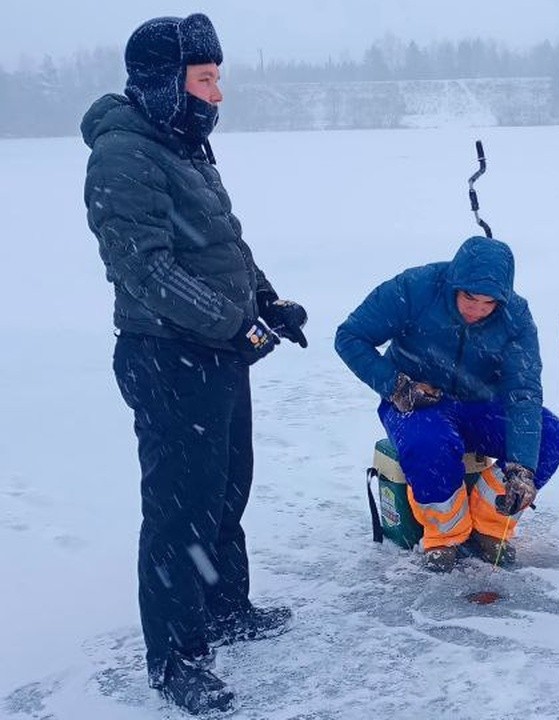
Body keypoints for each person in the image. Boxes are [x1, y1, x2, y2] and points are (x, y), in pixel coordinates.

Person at [81, 13, 309, 717]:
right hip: (166, 356)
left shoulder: (183, 147)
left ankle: (224, 606)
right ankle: (176, 657)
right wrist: (232, 323)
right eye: (205, 79)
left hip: (217, 352)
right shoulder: (125, 155)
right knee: (179, 511)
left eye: (218, 78)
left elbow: (222, 244)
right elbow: (144, 270)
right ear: (162, 83)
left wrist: (266, 302)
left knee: (225, 486)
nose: (217, 94)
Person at [336, 236, 559, 572]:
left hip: (480, 403)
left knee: (550, 437)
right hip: (416, 399)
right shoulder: (414, 288)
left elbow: (523, 392)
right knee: (430, 443)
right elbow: (350, 336)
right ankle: (445, 536)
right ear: (453, 285)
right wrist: (397, 387)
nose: (476, 309)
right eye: (469, 297)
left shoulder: (515, 317)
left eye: (488, 303)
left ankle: (490, 525)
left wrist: (521, 468)